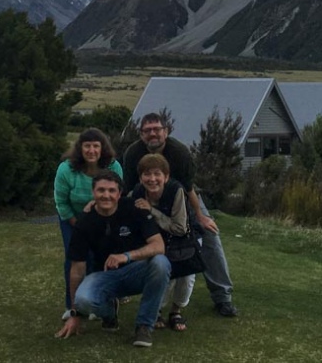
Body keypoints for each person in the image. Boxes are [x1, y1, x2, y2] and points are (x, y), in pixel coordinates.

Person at [122, 112, 238, 317]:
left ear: (165, 131)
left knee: (210, 235)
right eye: (147, 131)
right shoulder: (132, 153)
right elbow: (130, 189)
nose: (152, 134)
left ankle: (222, 296)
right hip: (148, 197)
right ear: (141, 134)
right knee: (124, 234)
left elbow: (189, 187)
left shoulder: (179, 152)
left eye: (157, 129)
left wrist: (200, 217)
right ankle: (122, 288)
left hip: (182, 195)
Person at [55, 170, 171, 348]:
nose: (106, 195)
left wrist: (126, 256)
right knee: (83, 299)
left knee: (161, 263)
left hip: (136, 272)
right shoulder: (84, 222)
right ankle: (109, 314)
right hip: (104, 276)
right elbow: (77, 268)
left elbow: (158, 246)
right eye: (101, 190)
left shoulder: (134, 208)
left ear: (119, 193)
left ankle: (144, 326)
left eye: (111, 191)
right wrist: (75, 314)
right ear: (93, 193)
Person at [54, 128, 123, 320]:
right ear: (80, 148)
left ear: (102, 149)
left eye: (95, 146)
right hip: (72, 218)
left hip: (103, 218)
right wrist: (80, 227)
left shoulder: (113, 166)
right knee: (74, 257)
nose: (91, 150)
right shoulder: (66, 169)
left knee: (99, 258)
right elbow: (61, 202)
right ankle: (72, 305)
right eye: (87, 146)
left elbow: (119, 195)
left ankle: (96, 301)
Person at [131, 153, 202, 332]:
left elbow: (180, 227)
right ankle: (157, 309)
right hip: (158, 239)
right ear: (140, 177)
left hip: (183, 239)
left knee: (185, 278)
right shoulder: (138, 192)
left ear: (166, 176)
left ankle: (176, 311)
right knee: (163, 276)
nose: (152, 179)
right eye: (147, 174)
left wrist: (152, 211)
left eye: (157, 174)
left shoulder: (176, 190)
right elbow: (123, 208)